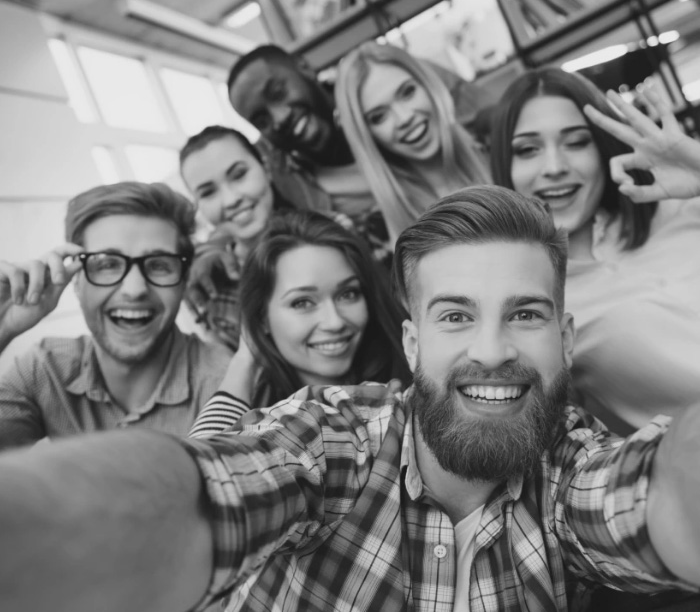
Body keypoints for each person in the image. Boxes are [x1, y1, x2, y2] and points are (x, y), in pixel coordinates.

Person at [4, 186, 700, 612]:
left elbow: (652, 495)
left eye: (525, 314)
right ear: (414, 339)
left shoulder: (568, 465)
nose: (491, 347)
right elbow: (204, 487)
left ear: (567, 339)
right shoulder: (329, 432)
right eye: (456, 314)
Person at [490, 67, 700, 434]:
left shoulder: (685, 206)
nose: (555, 167)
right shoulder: (533, 308)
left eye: (576, 142)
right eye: (528, 149)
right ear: (505, 169)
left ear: (603, 148)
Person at [0, 182, 231, 449]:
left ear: (184, 280)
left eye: (159, 266)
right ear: (76, 280)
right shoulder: (44, 369)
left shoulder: (231, 384)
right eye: (107, 264)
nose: (134, 290)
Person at [226, 44, 493, 247]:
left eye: (278, 92)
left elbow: (494, 118)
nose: (280, 117)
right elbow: (235, 195)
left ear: (304, 68)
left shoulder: (383, 84)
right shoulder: (281, 172)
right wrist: (219, 244)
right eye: (261, 120)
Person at [189, 210, 411, 437]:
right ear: (261, 316)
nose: (334, 322)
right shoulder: (266, 425)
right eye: (302, 302)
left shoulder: (411, 381)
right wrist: (245, 361)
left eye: (348, 294)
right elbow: (204, 462)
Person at [335, 41, 491, 242]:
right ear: (368, 137)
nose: (404, 118)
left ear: (427, 84)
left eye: (408, 92)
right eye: (379, 117)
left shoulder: (503, 150)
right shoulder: (387, 230)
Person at [179, 125, 292, 350]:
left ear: (266, 167)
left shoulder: (334, 231)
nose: (230, 200)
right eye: (208, 192)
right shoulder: (209, 287)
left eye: (239, 175)